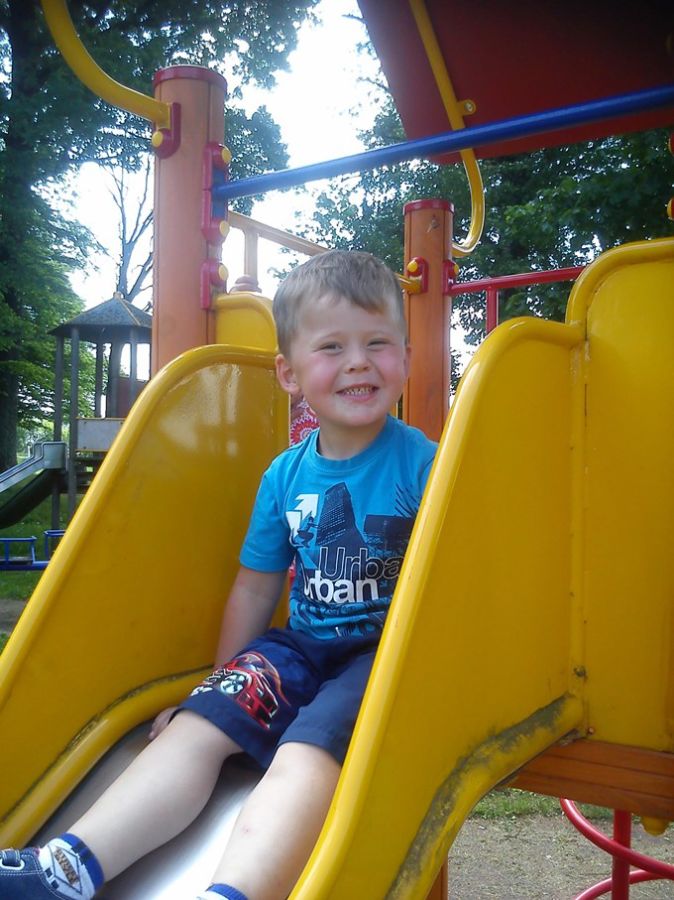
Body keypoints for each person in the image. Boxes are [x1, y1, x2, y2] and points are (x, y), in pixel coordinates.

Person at [0, 250, 437, 900]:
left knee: (307, 751)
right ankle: (67, 869)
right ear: (289, 373)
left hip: (381, 657)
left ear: (405, 355)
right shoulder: (284, 475)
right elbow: (256, 585)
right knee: (198, 725)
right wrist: (218, 681)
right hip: (300, 648)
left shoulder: (426, 466)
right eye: (332, 346)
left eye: (377, 343)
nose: (357, 362)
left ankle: (232, 892)